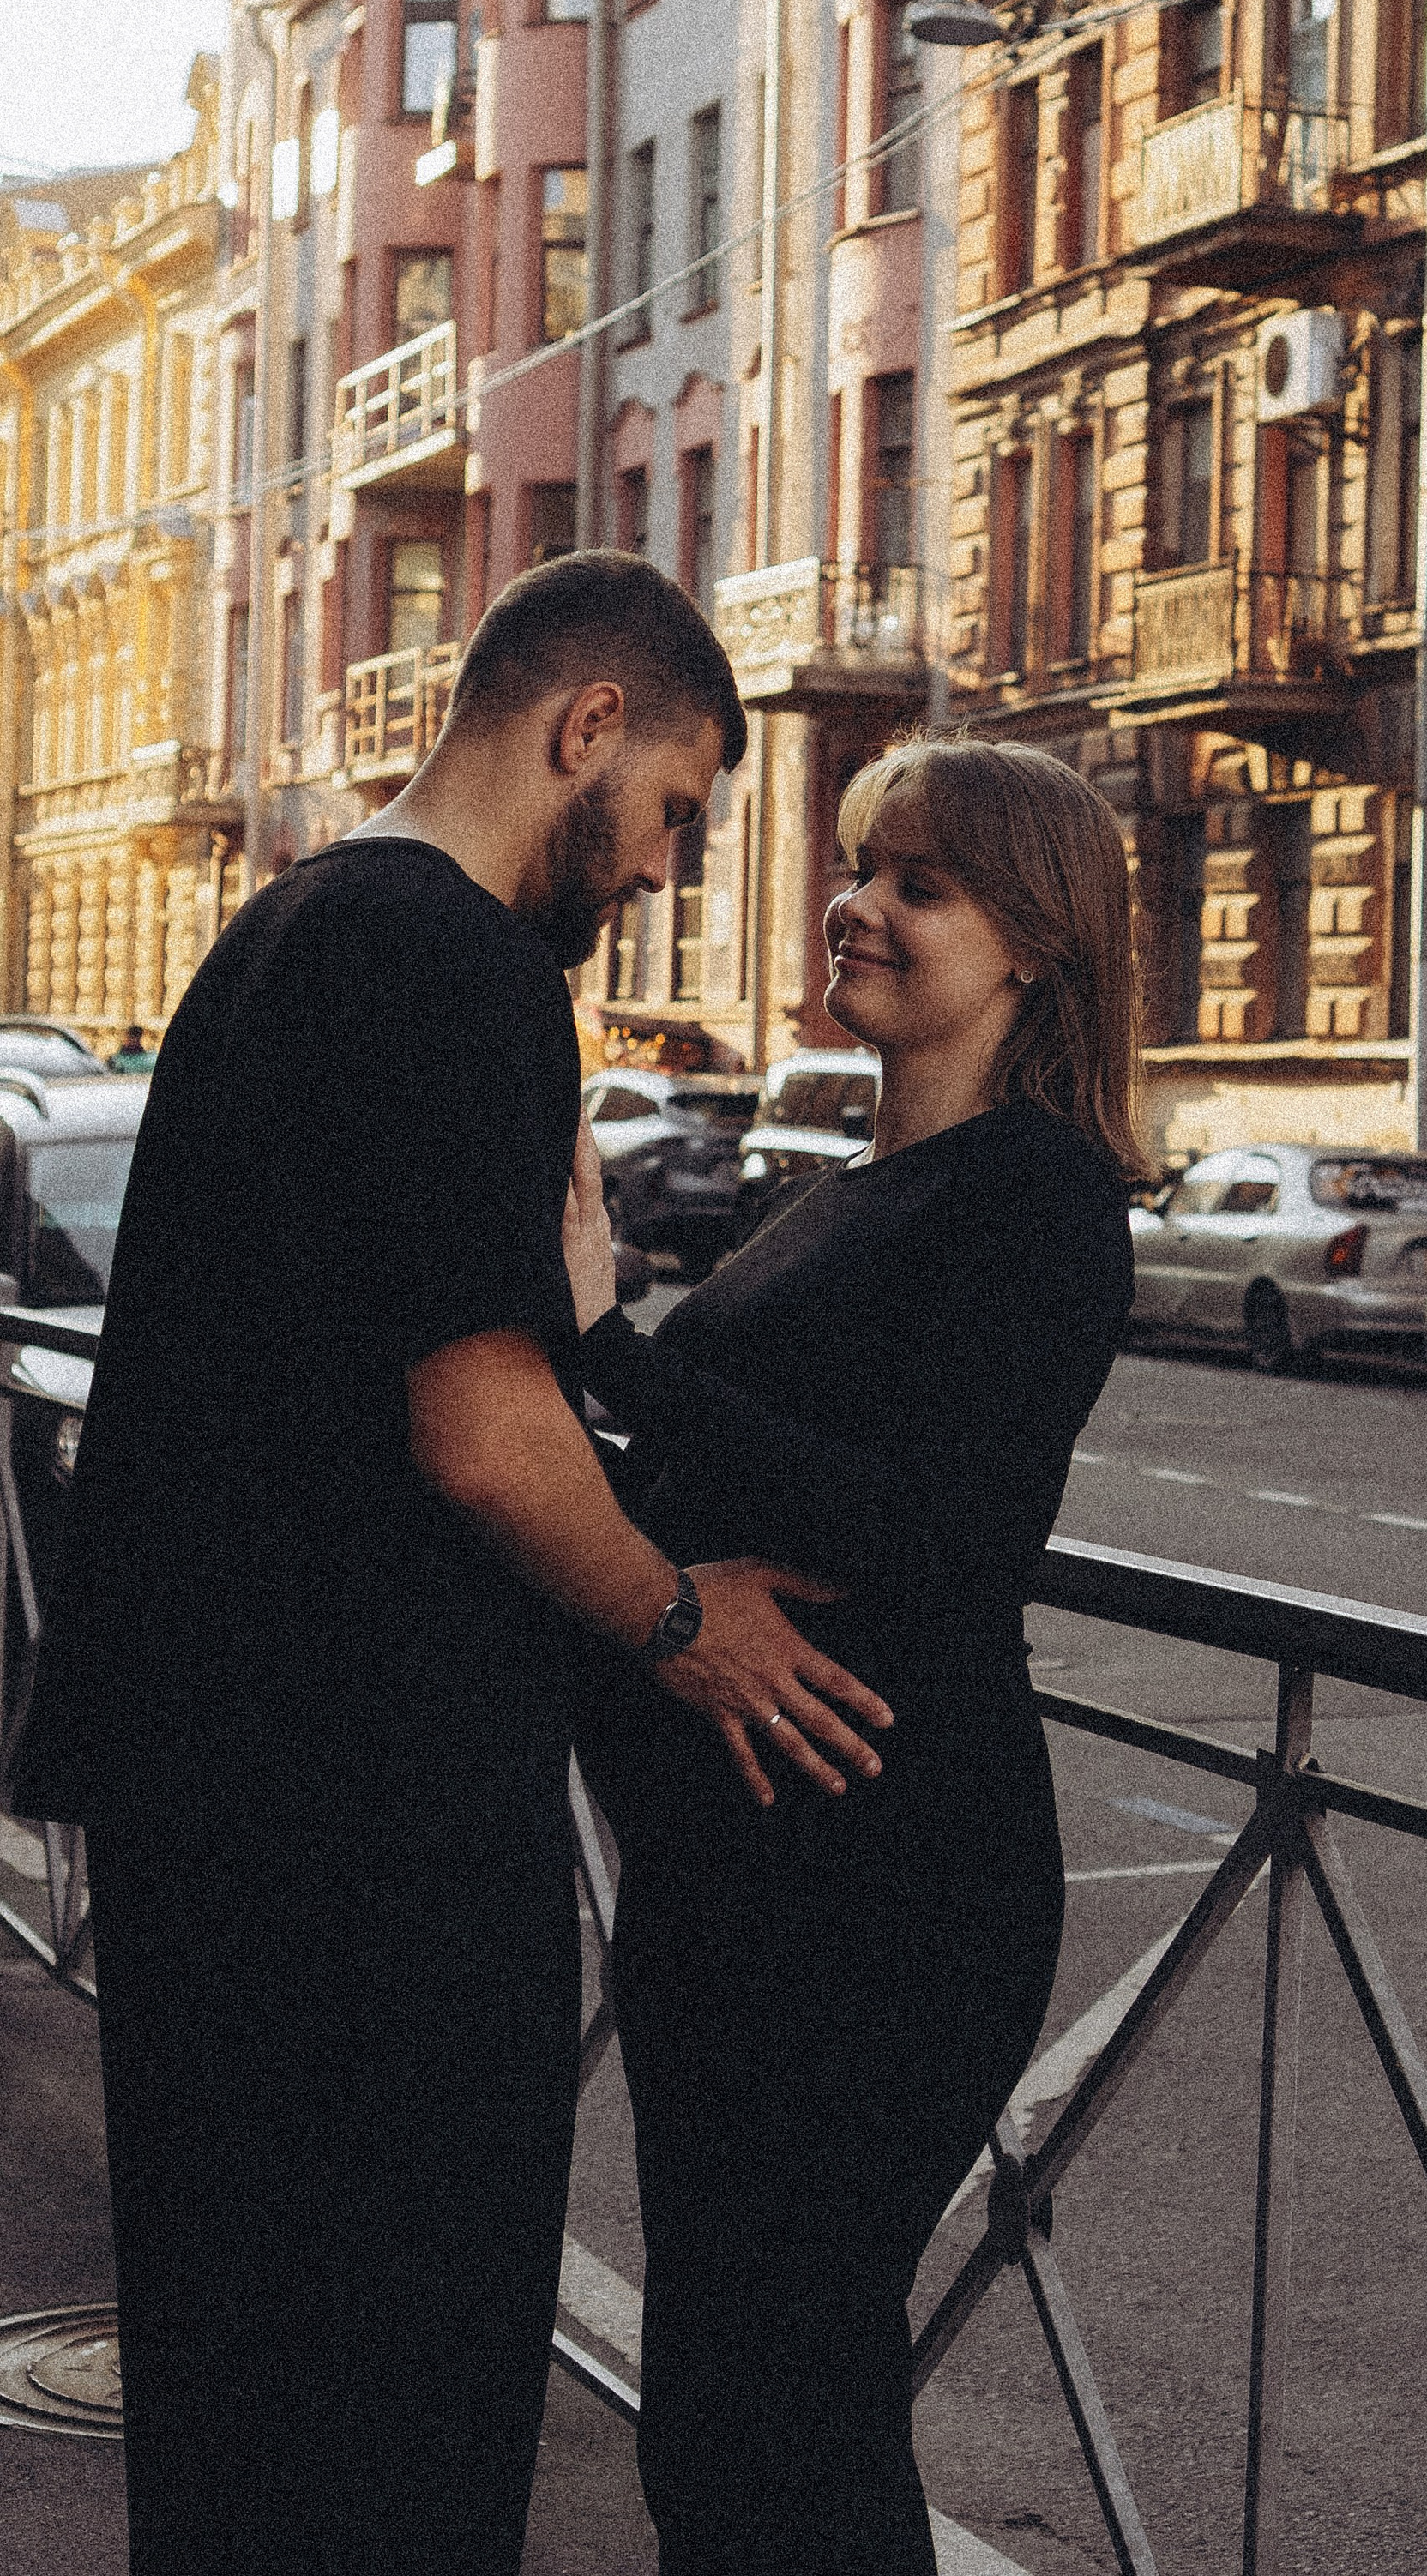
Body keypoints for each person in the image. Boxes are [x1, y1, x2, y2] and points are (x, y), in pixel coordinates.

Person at [10, 551, 889, 2576]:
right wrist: (692, 1628)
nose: (664, 870)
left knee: (238, 2419)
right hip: (364, 1833)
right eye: (675, 809)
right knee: (392, 2420)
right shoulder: (461, 970)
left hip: (215, 1803)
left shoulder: (290, 925)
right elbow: (482, 1442)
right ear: (586, 728)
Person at [563, 734, 1143, 2576]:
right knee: (729, 2408)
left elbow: (947, 1543)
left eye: (920, 883)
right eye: (856, 864)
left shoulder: (1039, 1195)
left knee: (785, 2407)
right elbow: (716, 1480)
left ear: (1033, 941)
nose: (858, 905)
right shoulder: (853, 1175)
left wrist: (611, 1349)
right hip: (741, 1867)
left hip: (885, 1880)